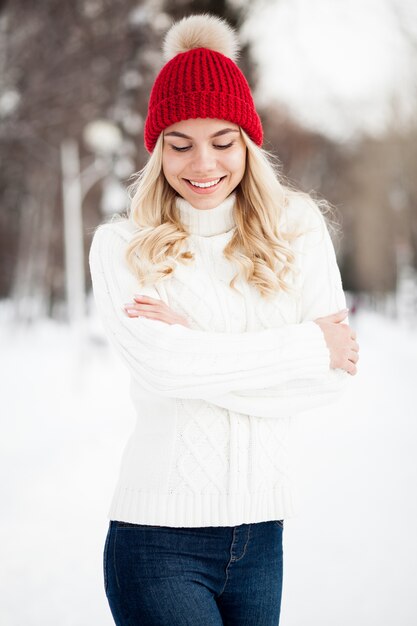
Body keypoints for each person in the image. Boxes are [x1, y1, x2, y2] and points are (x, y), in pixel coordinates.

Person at [89, 13, 360, 626]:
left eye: (222, 141)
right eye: (179, 145)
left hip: (262, 540)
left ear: (248, 142)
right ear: (156, 150)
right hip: (157, 540)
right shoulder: (122, 244)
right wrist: (306, 344)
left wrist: (197, 345)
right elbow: (162, 367)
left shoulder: (295, 227)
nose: (202, 164)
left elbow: (334, 375)